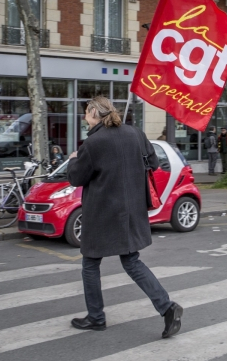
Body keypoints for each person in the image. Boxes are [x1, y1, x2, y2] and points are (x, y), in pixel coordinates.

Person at [67, 96, 182, 338]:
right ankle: (167, 307)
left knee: (90, 264)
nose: (85, 118)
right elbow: (153, 162)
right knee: (131, 261)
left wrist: (74, 159)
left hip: (101, 213)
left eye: (87, 113)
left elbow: (76, 178)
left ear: (95, 114)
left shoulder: (92, 143)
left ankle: (96, 317)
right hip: (131, 210)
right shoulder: (135, 134)